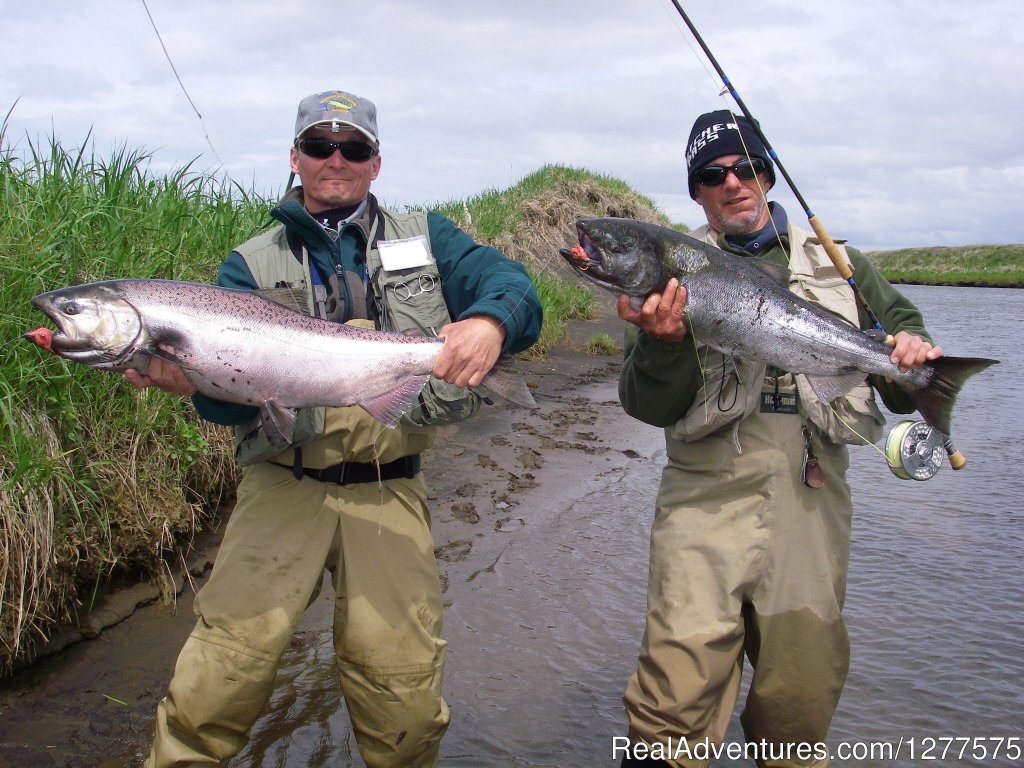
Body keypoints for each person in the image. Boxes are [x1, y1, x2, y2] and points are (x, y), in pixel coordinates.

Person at [126, 89, 542, 768]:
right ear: (295, 158)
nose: (335, 160)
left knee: (402, 696)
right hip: (281, 484)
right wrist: (196, 384)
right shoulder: (248, 266)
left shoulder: (429, 238)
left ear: (376, 162)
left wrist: (492, 322)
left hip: (390, 487)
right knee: (219, 678)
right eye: (319, 146)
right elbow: (232, 405)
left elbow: (513, 285)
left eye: (353, 148)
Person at [614, 110, 942, 767]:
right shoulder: (669, 274)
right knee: (669, 707)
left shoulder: (844, 265)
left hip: (812, 505)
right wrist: (662, 344)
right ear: (697, 192)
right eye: (713, 175)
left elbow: (905, 375)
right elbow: (649, 405)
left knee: (798, 707)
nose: (733, 183)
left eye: (748, 168)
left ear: (769, 174)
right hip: (702, 502)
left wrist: (911, 357)